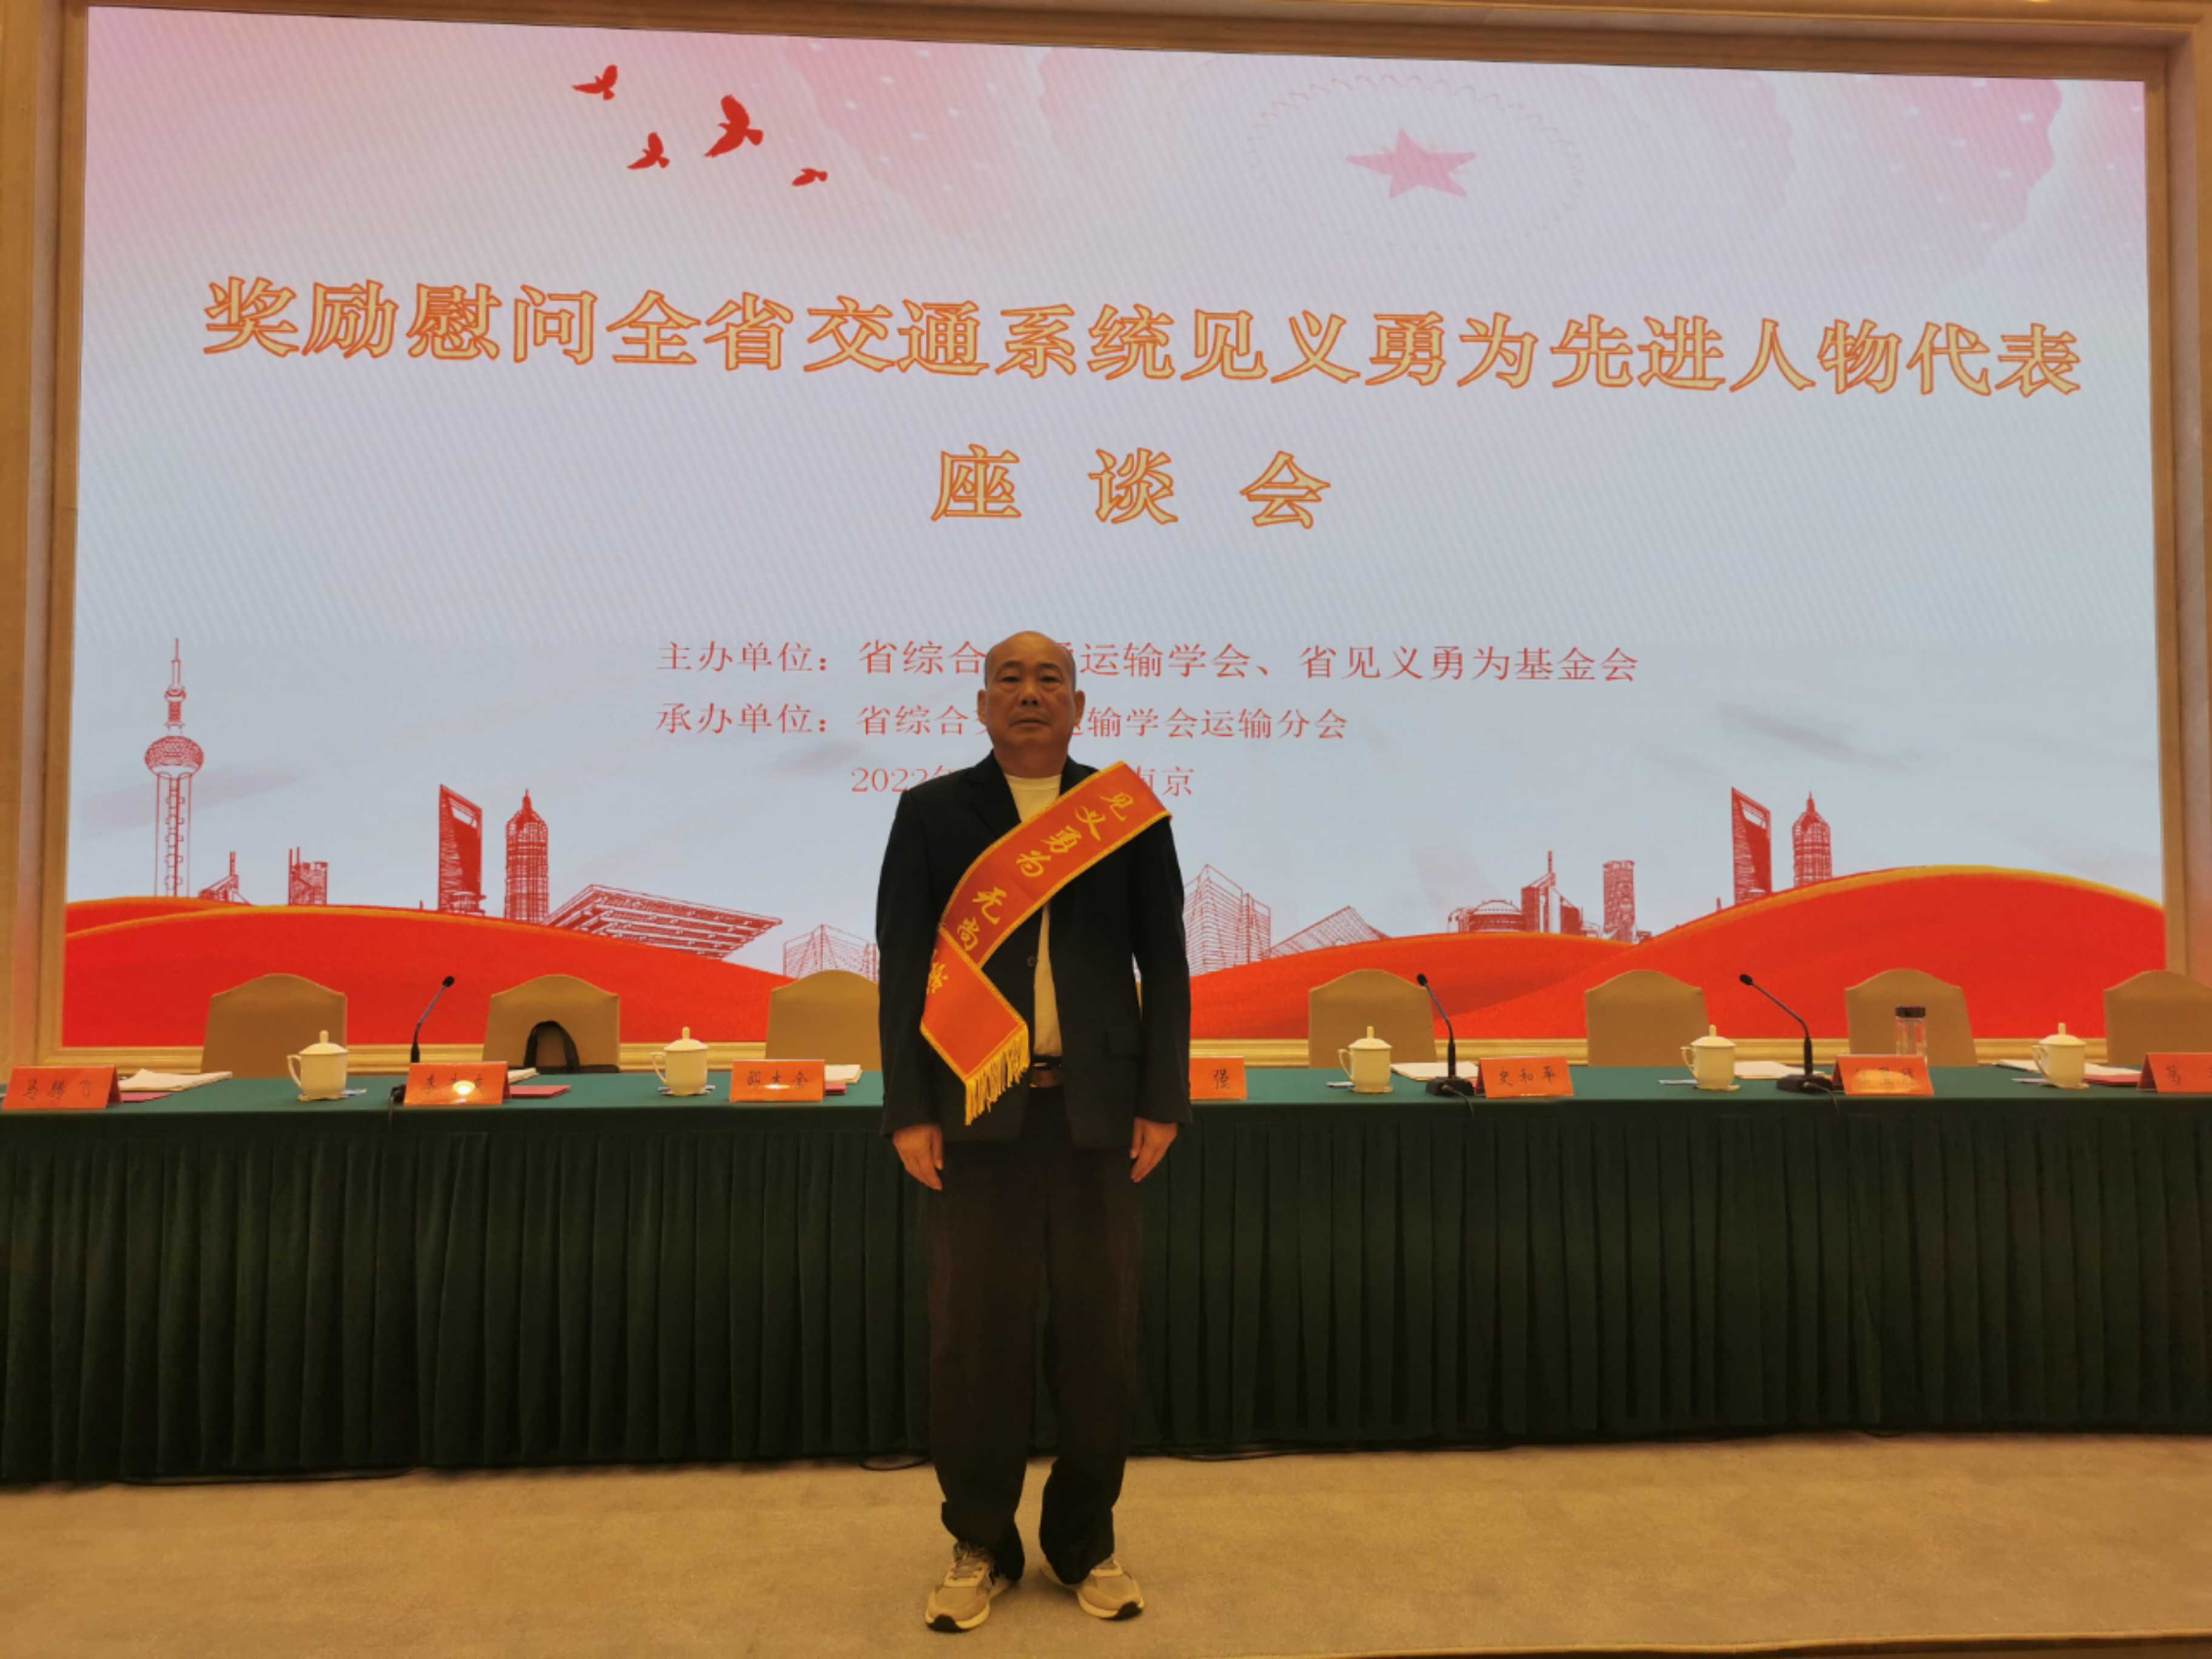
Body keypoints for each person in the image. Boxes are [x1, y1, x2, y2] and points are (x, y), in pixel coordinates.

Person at [876, 630, 1191, 1633]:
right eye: (1008, 679)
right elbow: (903, 966)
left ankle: (1085, 1541)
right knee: (976, 1341)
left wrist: (1164, 1098)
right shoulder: (931, 813)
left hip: (1098, 1112)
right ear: (980, 705)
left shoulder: (1123, 814)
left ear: (1078, 705)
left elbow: (1166, 962)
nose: (1028, 693)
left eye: (1048, 679)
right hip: (975, 1109)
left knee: (1099, 1337)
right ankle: (981, 1542)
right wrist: (909, 1108)